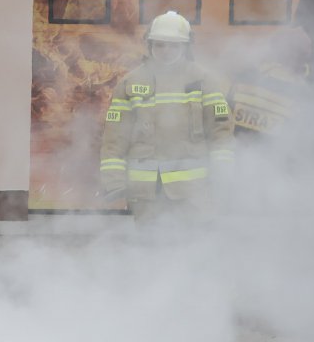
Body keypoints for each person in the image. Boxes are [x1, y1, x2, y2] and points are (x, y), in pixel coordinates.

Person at [99, 11, 235, 221]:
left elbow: (220, 135)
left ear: (186, 46)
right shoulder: (130, 83)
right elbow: (114, 138)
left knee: (191, 248)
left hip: (192, 194)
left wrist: (224, 177)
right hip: (145, 194)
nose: (166, 51)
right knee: (148, 248)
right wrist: (113, 181)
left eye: (174, 45)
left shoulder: (203, 81)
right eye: (160, 44)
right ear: (150, 44)